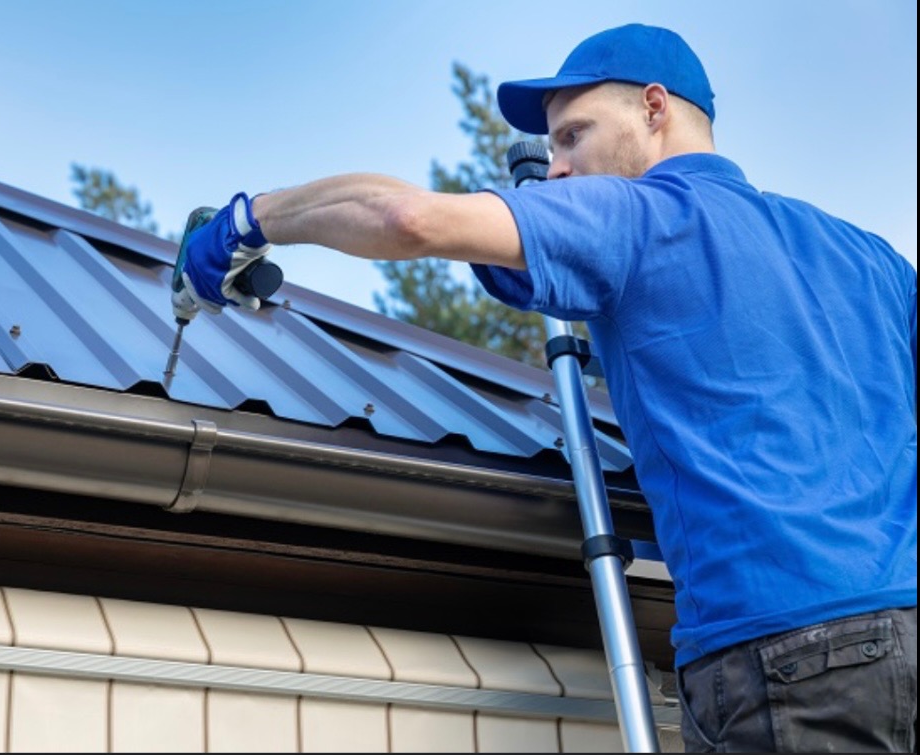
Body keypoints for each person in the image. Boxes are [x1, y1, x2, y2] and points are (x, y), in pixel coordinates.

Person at [176, 23, 917, 752]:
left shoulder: (637, 217)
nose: (557, 168)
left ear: (653, 109)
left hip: (784, 651)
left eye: (572, 136)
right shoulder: (868, 258)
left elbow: (406, 218)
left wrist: (250, 219)